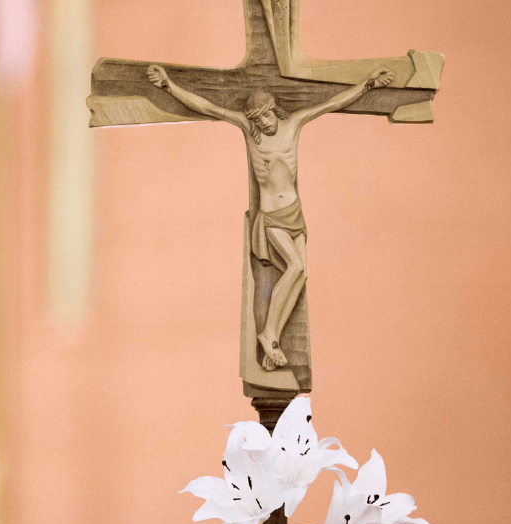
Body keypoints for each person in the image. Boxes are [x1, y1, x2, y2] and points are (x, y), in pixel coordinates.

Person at [146, 64, 394, 370]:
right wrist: (169, 85)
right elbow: (209, 106)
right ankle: (268, 336)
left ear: (273, 109)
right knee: (296, 265)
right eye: (256, 119)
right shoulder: (251, 134)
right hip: (272, 217)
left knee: (300, 275)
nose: (262, 123)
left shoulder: (294, 124)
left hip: (294, 212)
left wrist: (369, 84)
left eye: (265, 115)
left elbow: (332, 103)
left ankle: (271, 338)